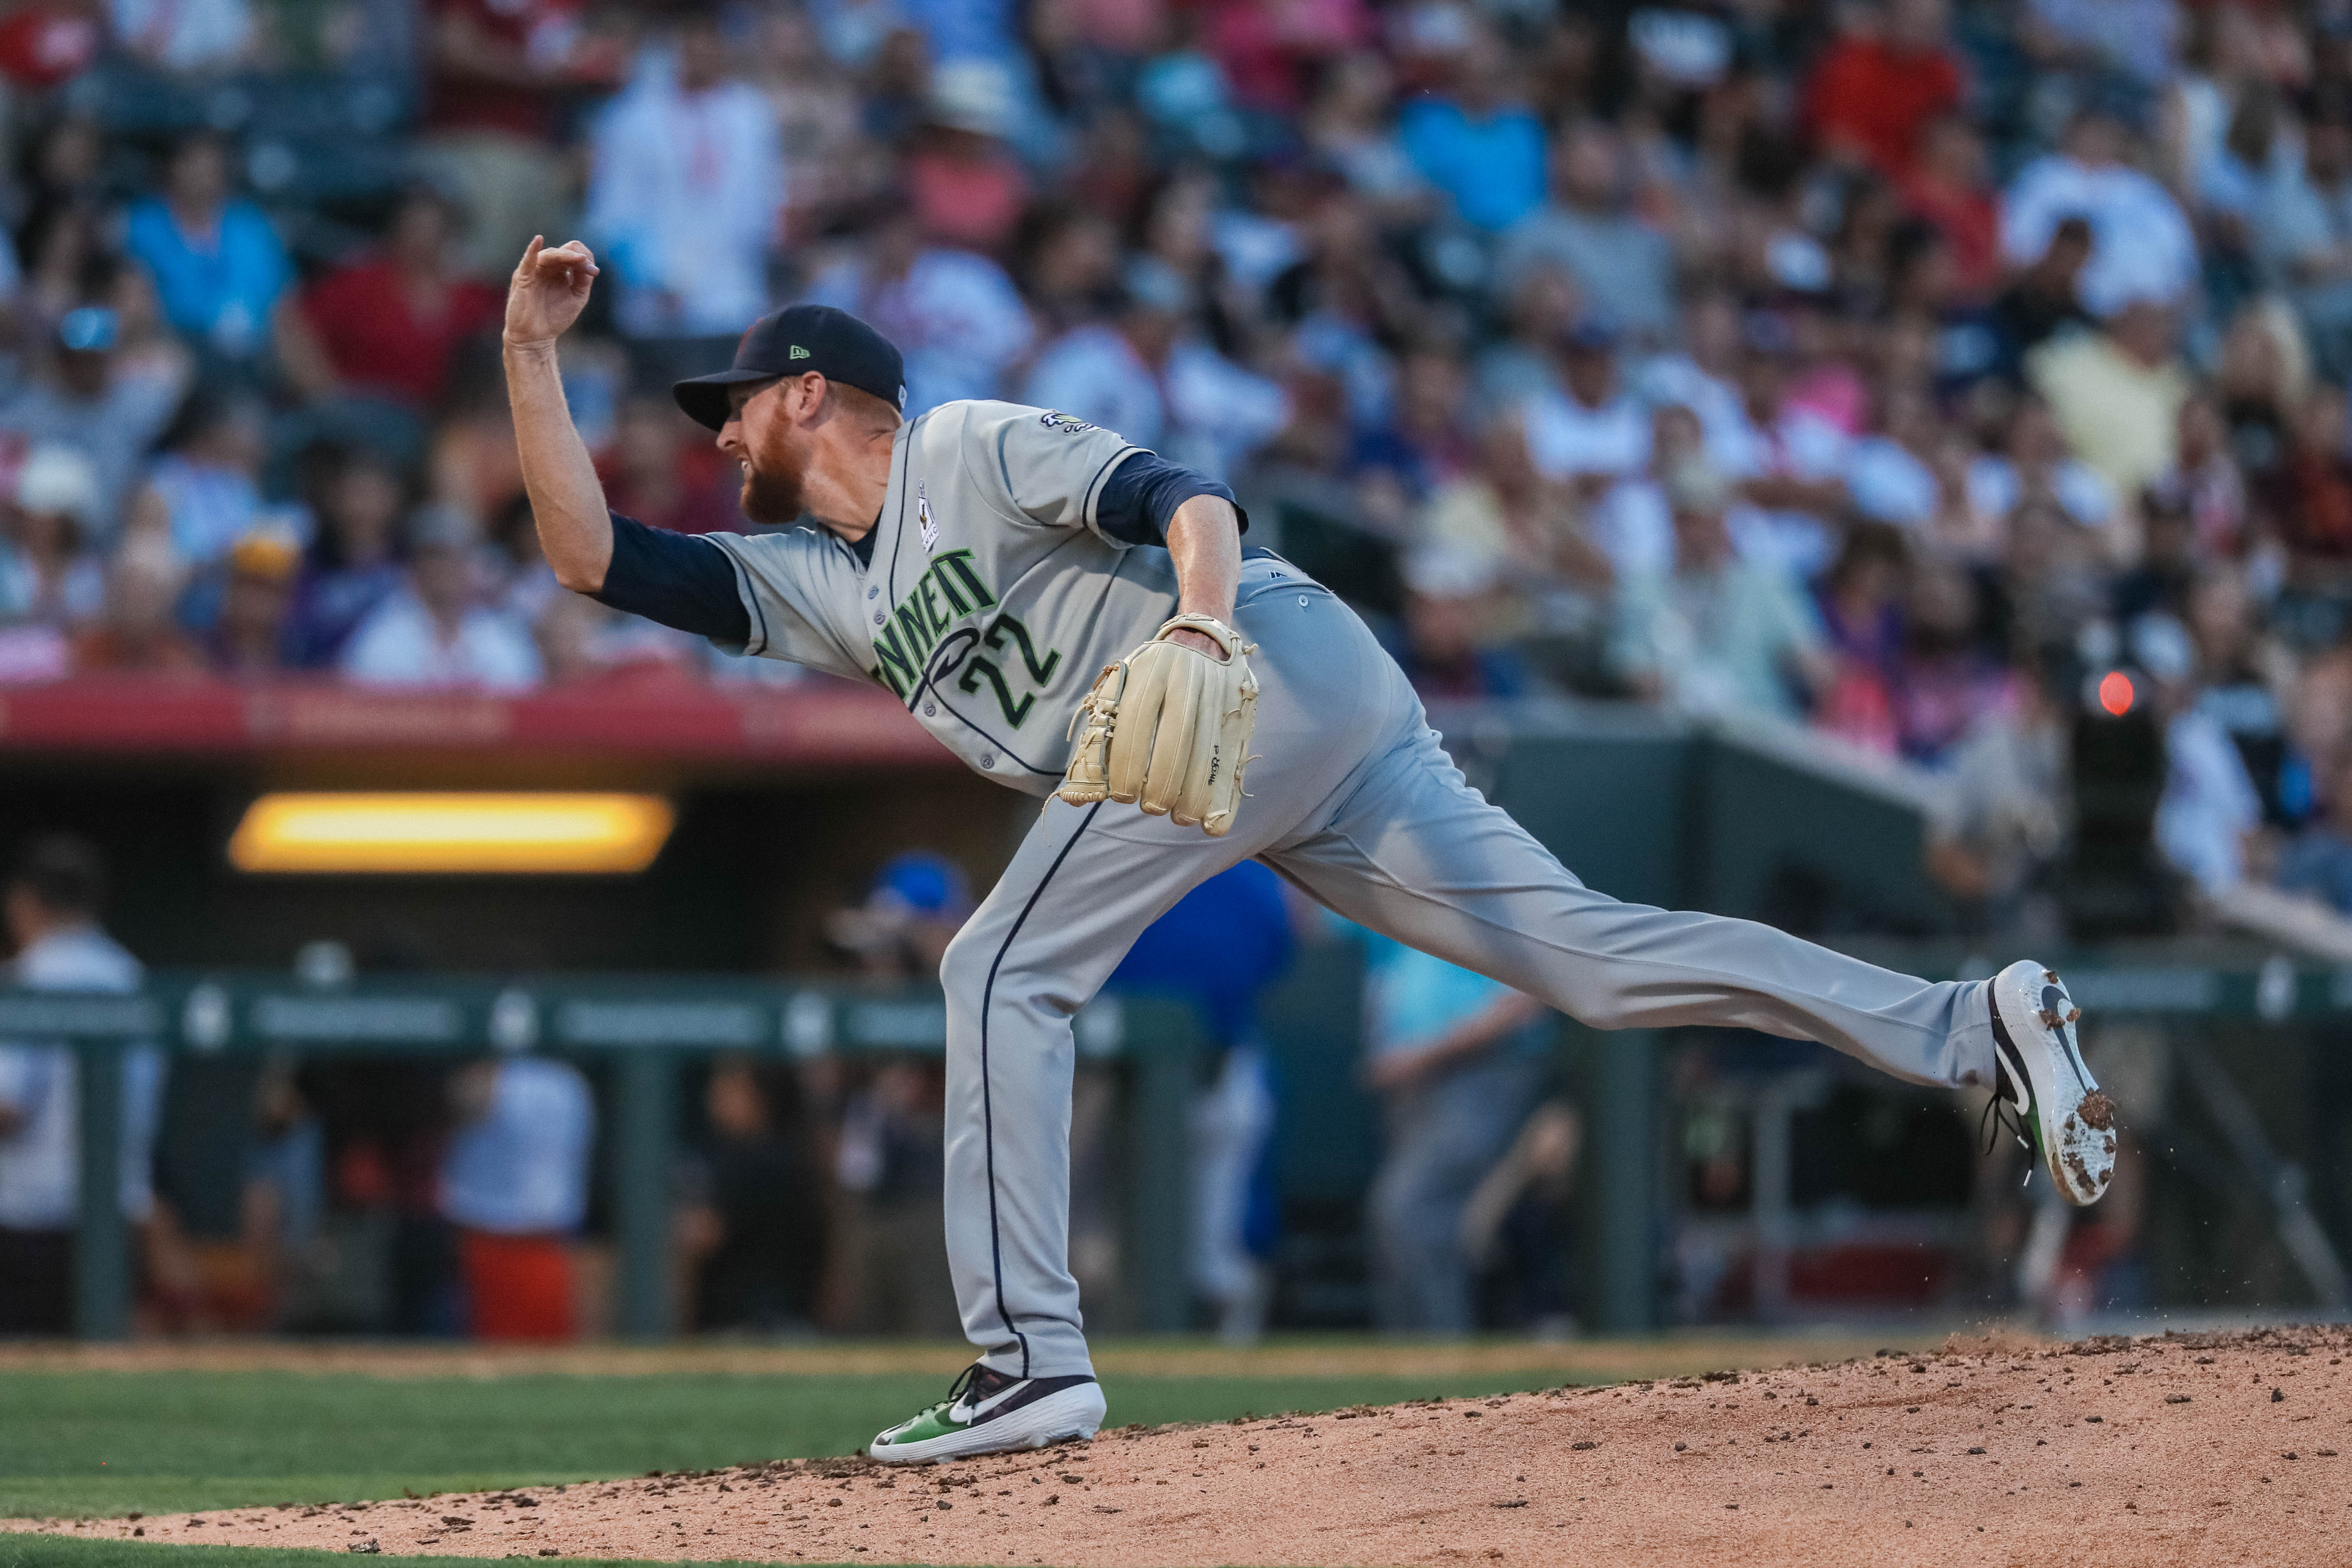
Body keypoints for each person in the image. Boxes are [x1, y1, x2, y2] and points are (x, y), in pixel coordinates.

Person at [502, 239, 2118, 1464]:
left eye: (730, 410)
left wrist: (1199, 630)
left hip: (1258, 661)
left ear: (803, 393)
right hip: (1300, 730)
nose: (715, 439)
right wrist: (525, 352)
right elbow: (591, 558)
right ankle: (1971, 1018)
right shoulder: (821, 582)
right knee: (1589, 956)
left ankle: (1029, 1361)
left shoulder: (964, 446)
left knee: (996, 962)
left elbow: (1188, 493)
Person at [0, 835, 166, 1335]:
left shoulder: (27, 980)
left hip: (30, 1227)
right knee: (97, 1371)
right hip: (116, 1224)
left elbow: (8, 1108)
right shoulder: (132, 978)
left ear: (25, 903)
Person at [438, 1050, 595, 1341]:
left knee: (547, 1354)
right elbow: (460, 1108)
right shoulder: (488, 1076)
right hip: (486, 1237)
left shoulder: (567, 1083)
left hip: (545, 1240)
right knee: (485, 1355)